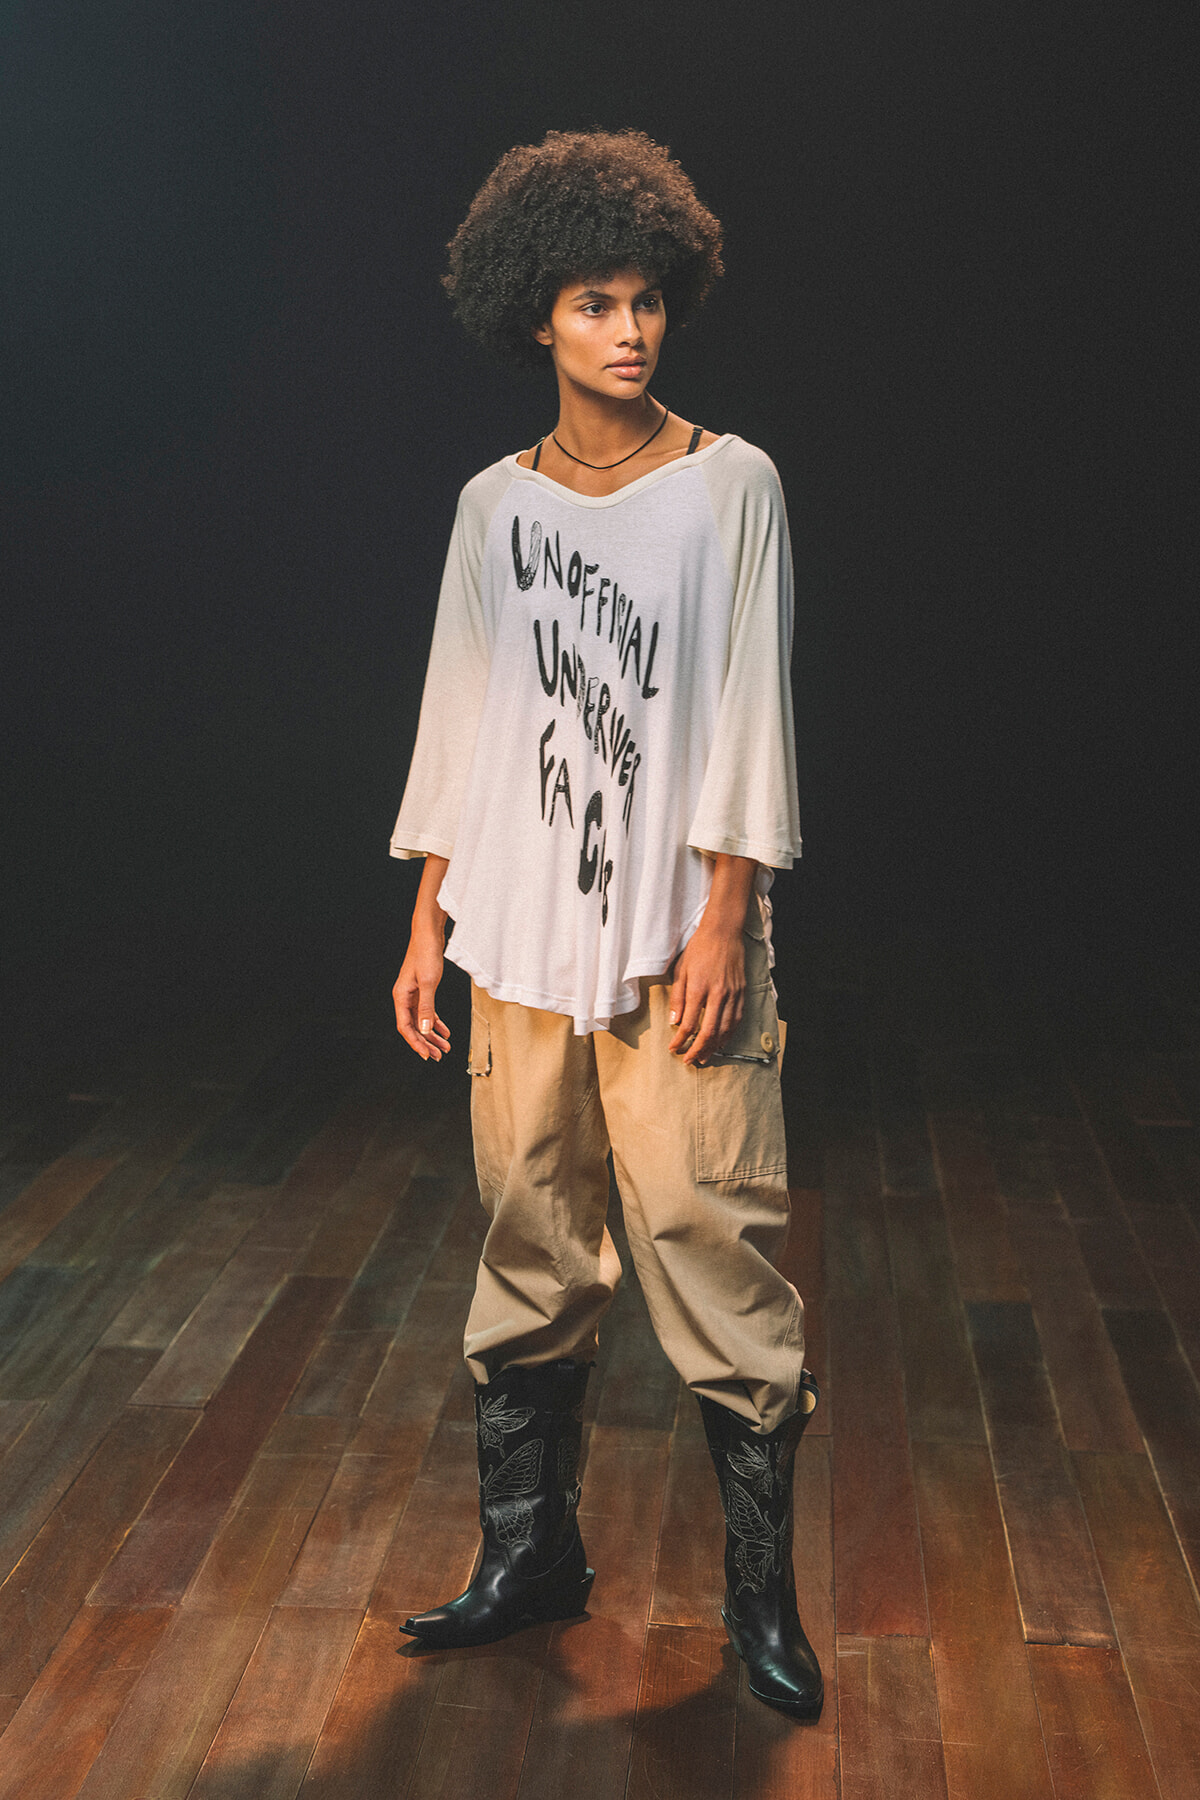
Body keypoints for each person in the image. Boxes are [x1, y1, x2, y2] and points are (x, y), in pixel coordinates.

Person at [388, 129, 820, 1721]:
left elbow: (749, 710)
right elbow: (462, 718)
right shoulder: (493, 508)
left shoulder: (732, 485)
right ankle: (532, 1562)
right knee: (530, 1236)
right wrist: (429, 922)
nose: (628, 330)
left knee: (710, 1240)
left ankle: (760, 1607)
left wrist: (729, 914)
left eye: (646, 300)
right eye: (593, 302)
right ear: (537, 318)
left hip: (666, 937)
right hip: (514, 934)